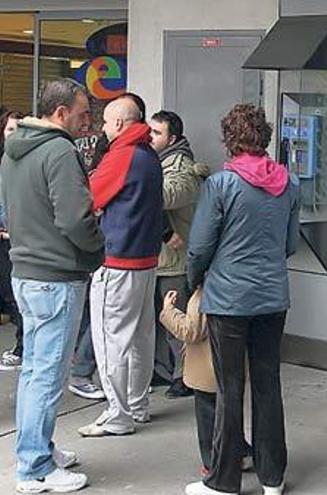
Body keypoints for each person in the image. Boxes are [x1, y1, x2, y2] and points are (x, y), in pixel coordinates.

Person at [185, 104, 299, 495]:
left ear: (230, 140)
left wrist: (193, 281)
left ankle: (223, 481)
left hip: (228, 299)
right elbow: (289, 245)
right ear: (264, 137)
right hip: (272, 297)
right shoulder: (289, 183)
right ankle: (273, 478)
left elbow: (199, 248)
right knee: (269, 385)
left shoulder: (220, 184)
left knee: (228, 388)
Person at [1, 78, 104, 493]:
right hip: (55, 277)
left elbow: (11, 211)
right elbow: (76, 220)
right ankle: (35, 466)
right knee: (46, 375)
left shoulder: (15, 149)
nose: (88, 122)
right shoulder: (59, 151)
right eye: (83, 114)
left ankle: (37, 448)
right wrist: (97, 251)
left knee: (35, 373)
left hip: (27, 271)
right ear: (60, 113)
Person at [78, 95, 164, 438]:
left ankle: (118, 413)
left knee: (110, 339)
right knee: (142, 336)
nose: (100, 128)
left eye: (104, 122)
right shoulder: (148, 155)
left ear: (118, 124)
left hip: (116, 261)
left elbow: (89, 198)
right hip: (146, 260)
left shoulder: (123, 155)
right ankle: (137, 405)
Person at [149, 109, 211, 398]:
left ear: (172, 138)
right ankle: (163, 371)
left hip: (174, 258)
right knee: (160, 322)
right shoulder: (156, 161)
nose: (150, 137)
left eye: (157, 133)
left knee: (178, 322)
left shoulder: (181, 166)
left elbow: (166, 196)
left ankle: (184, 376)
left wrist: (135, 180)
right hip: (159, 256)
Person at [159, 288, 253, 476]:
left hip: (204, 371)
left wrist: (168, 311)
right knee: (229, 414)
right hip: (231, 366)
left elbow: (191, 330)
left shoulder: (204, 293)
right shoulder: (237, 289)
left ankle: (213, 464)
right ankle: (241, 452)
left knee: (208, 420)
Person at [0, 109, 24, 371]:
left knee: (14, 298)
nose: (13, 135)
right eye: (9, 129)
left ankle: (22, 347)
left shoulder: (27, 162)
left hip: (16, 240)